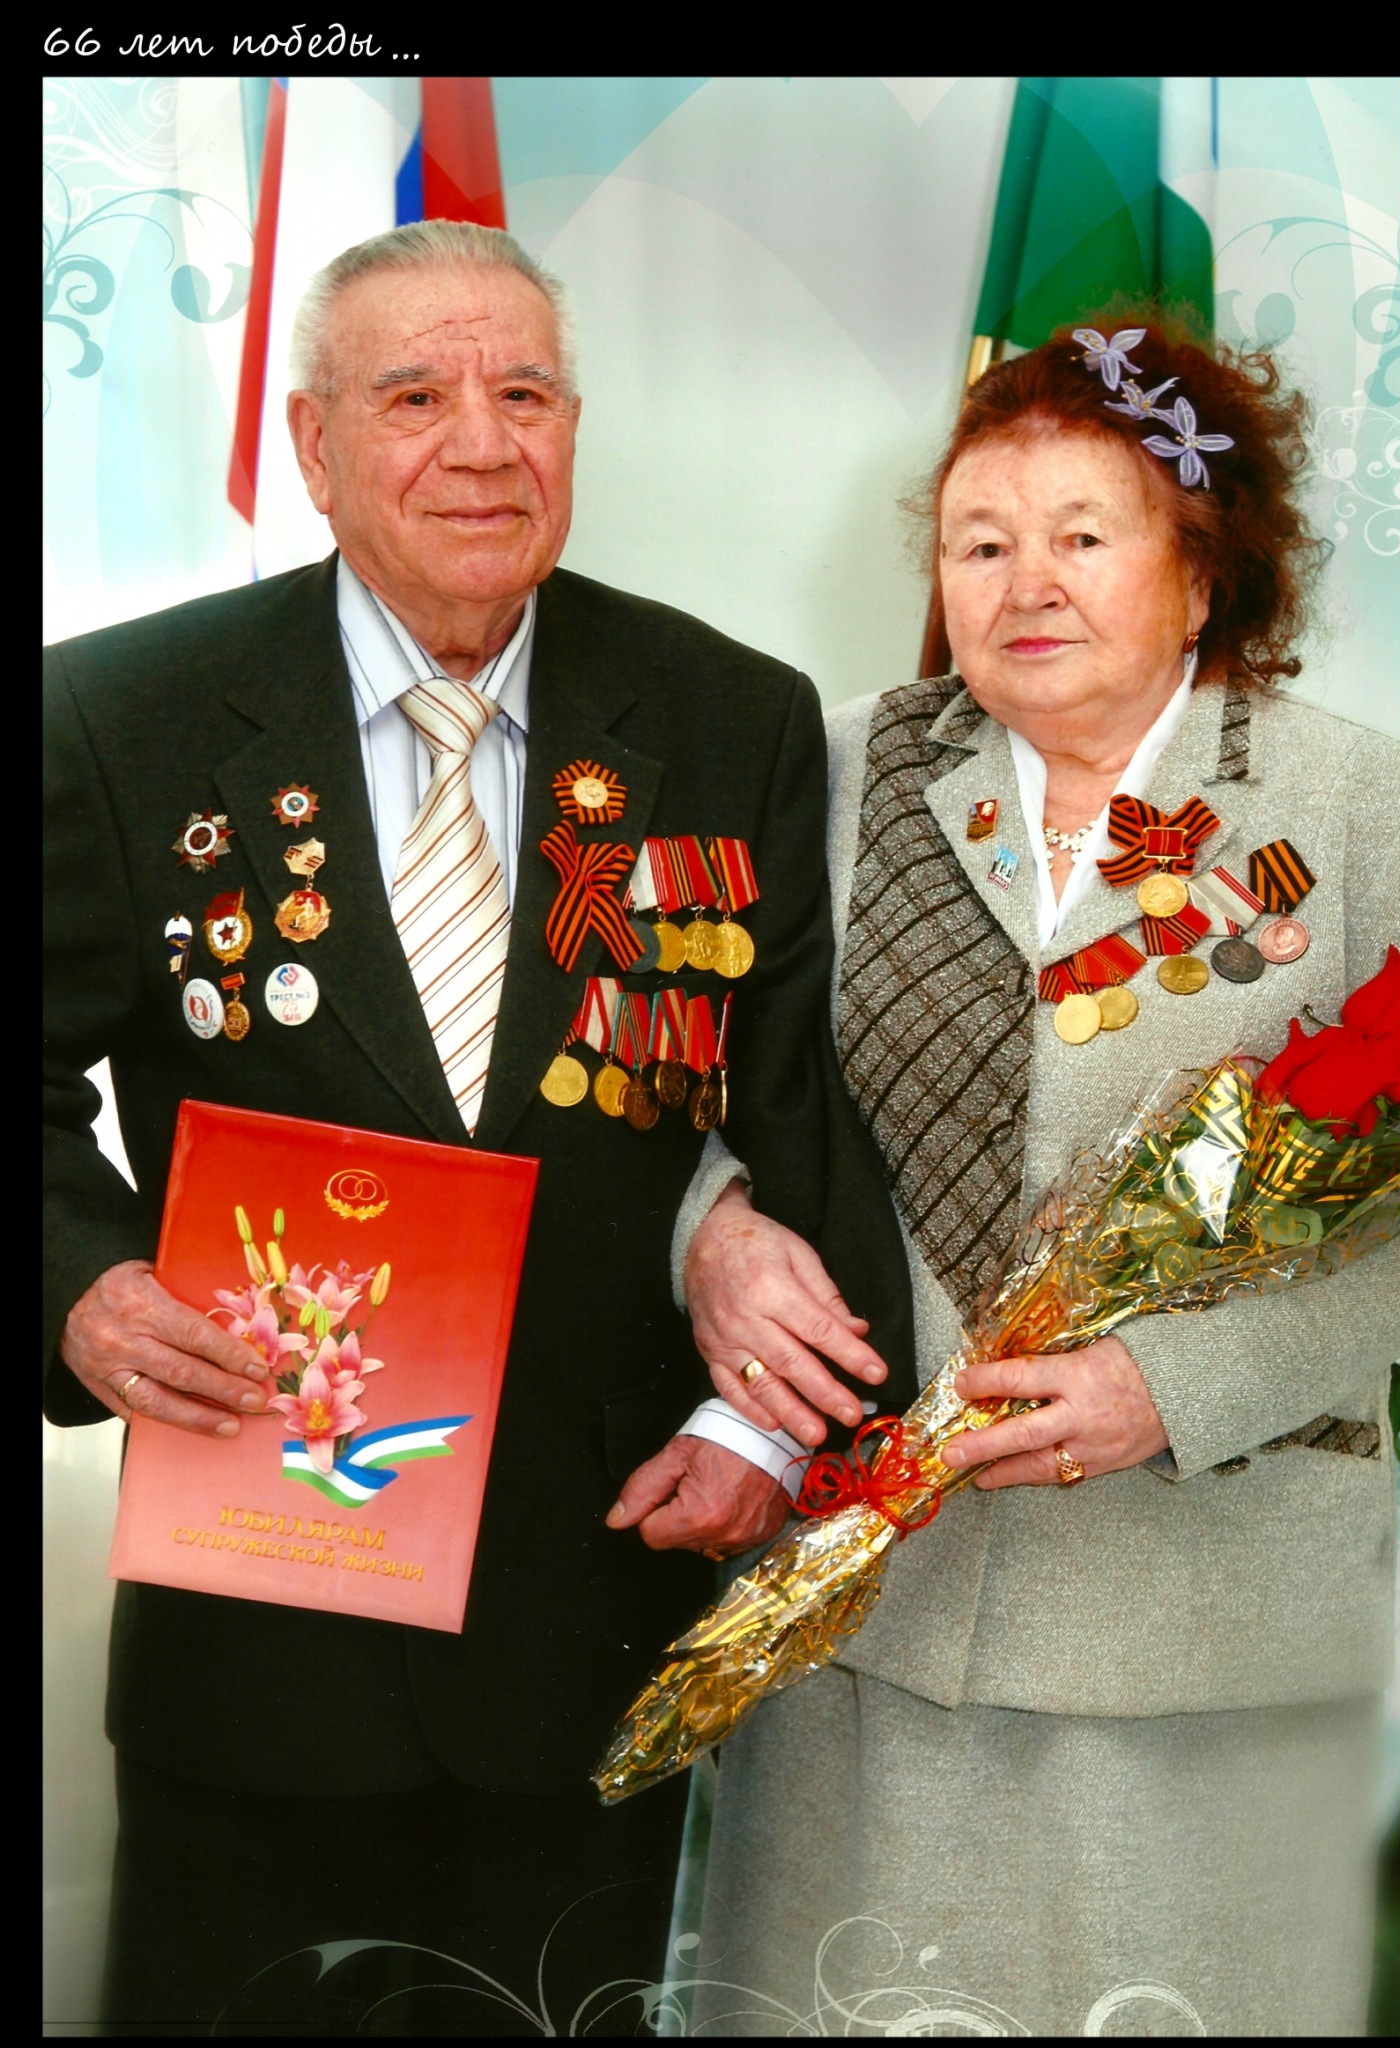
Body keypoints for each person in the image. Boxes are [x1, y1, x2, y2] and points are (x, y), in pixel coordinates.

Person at [42, 221, 913, 2035]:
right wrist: (82, 1283)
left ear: (574, 428)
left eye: (524, 393)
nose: (481, 444)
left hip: (594, 1601)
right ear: (313, 444)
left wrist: (754, 1419)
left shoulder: (726, 715)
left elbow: (798, 1105)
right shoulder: (116, 717)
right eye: (414, 397)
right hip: (254, 1615)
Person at [679, 314, 1400, 2036]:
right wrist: (707, 1231)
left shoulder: (1379, 816)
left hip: (1201, 1626)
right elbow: (696, 1067)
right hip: (862, 1607)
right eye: (978, 544)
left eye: (1081, 536)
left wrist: (1173, 1386)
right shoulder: (834, 773)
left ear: (1202, 572)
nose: (1022, 582)